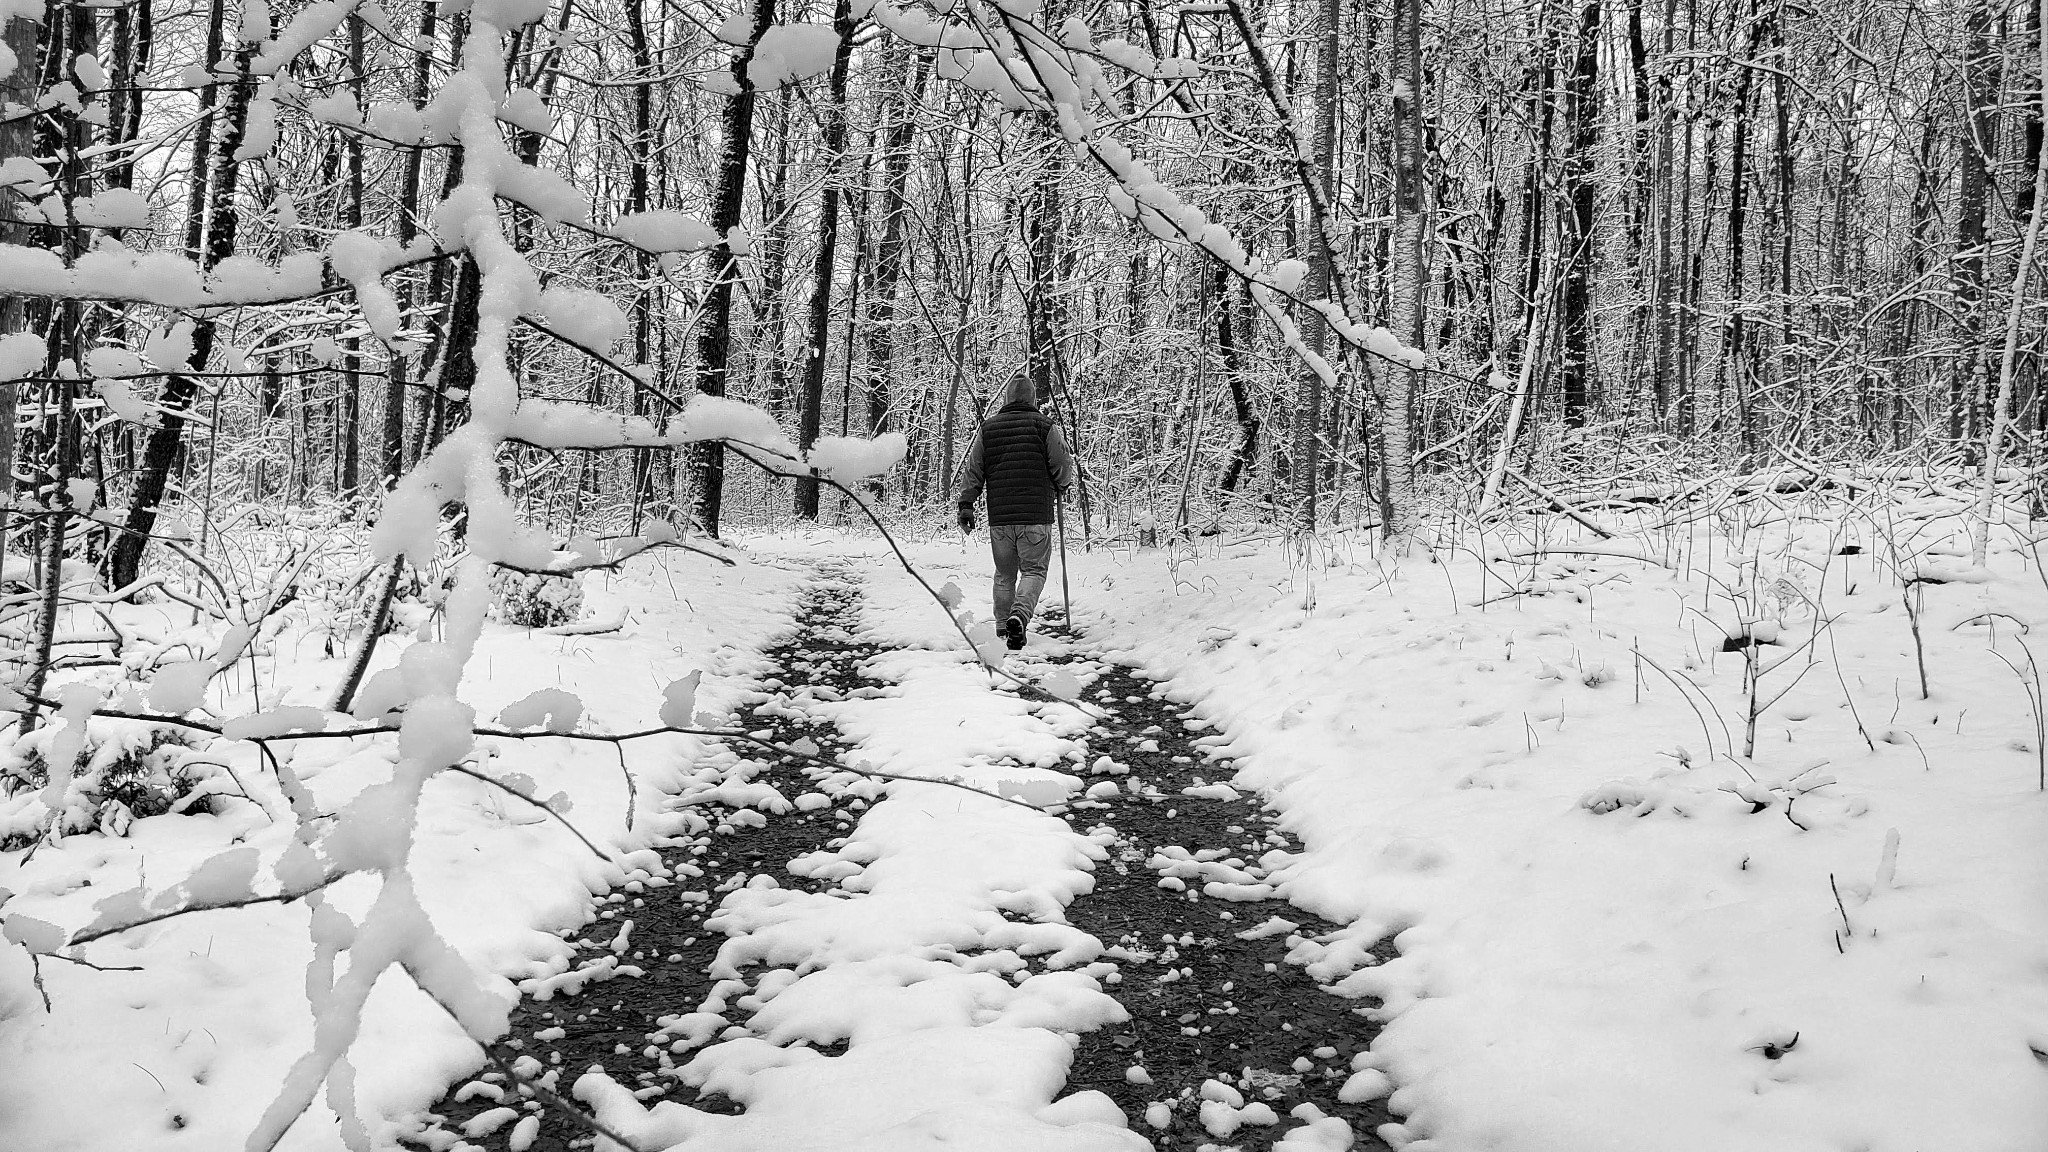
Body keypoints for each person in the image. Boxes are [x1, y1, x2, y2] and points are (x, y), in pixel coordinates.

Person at [955, 370, 1076, 650]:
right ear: (1033, 399)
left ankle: (1002, 627)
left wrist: (966, 504)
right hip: (1035, 516)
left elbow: (974, 470)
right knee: (1034, 571)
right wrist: (1062, 484)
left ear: (1007, 397)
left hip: (1001, 518)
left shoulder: (989, 429)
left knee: (1004, 574)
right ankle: (1019, 618)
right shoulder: (1045, 427)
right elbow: (1062, 464)